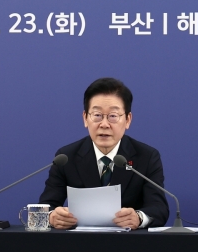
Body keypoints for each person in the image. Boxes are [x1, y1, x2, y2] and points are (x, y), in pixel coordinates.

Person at [39, 78, 169, 229]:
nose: (104, 124)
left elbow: (159, 209)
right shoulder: (66, 157)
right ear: (85, 118)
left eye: (113, 116)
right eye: (97, 115)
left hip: (129, 241)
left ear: (128, 120)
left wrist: (139, 218)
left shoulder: (146, 157)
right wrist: (52, 217)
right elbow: (46, 206)